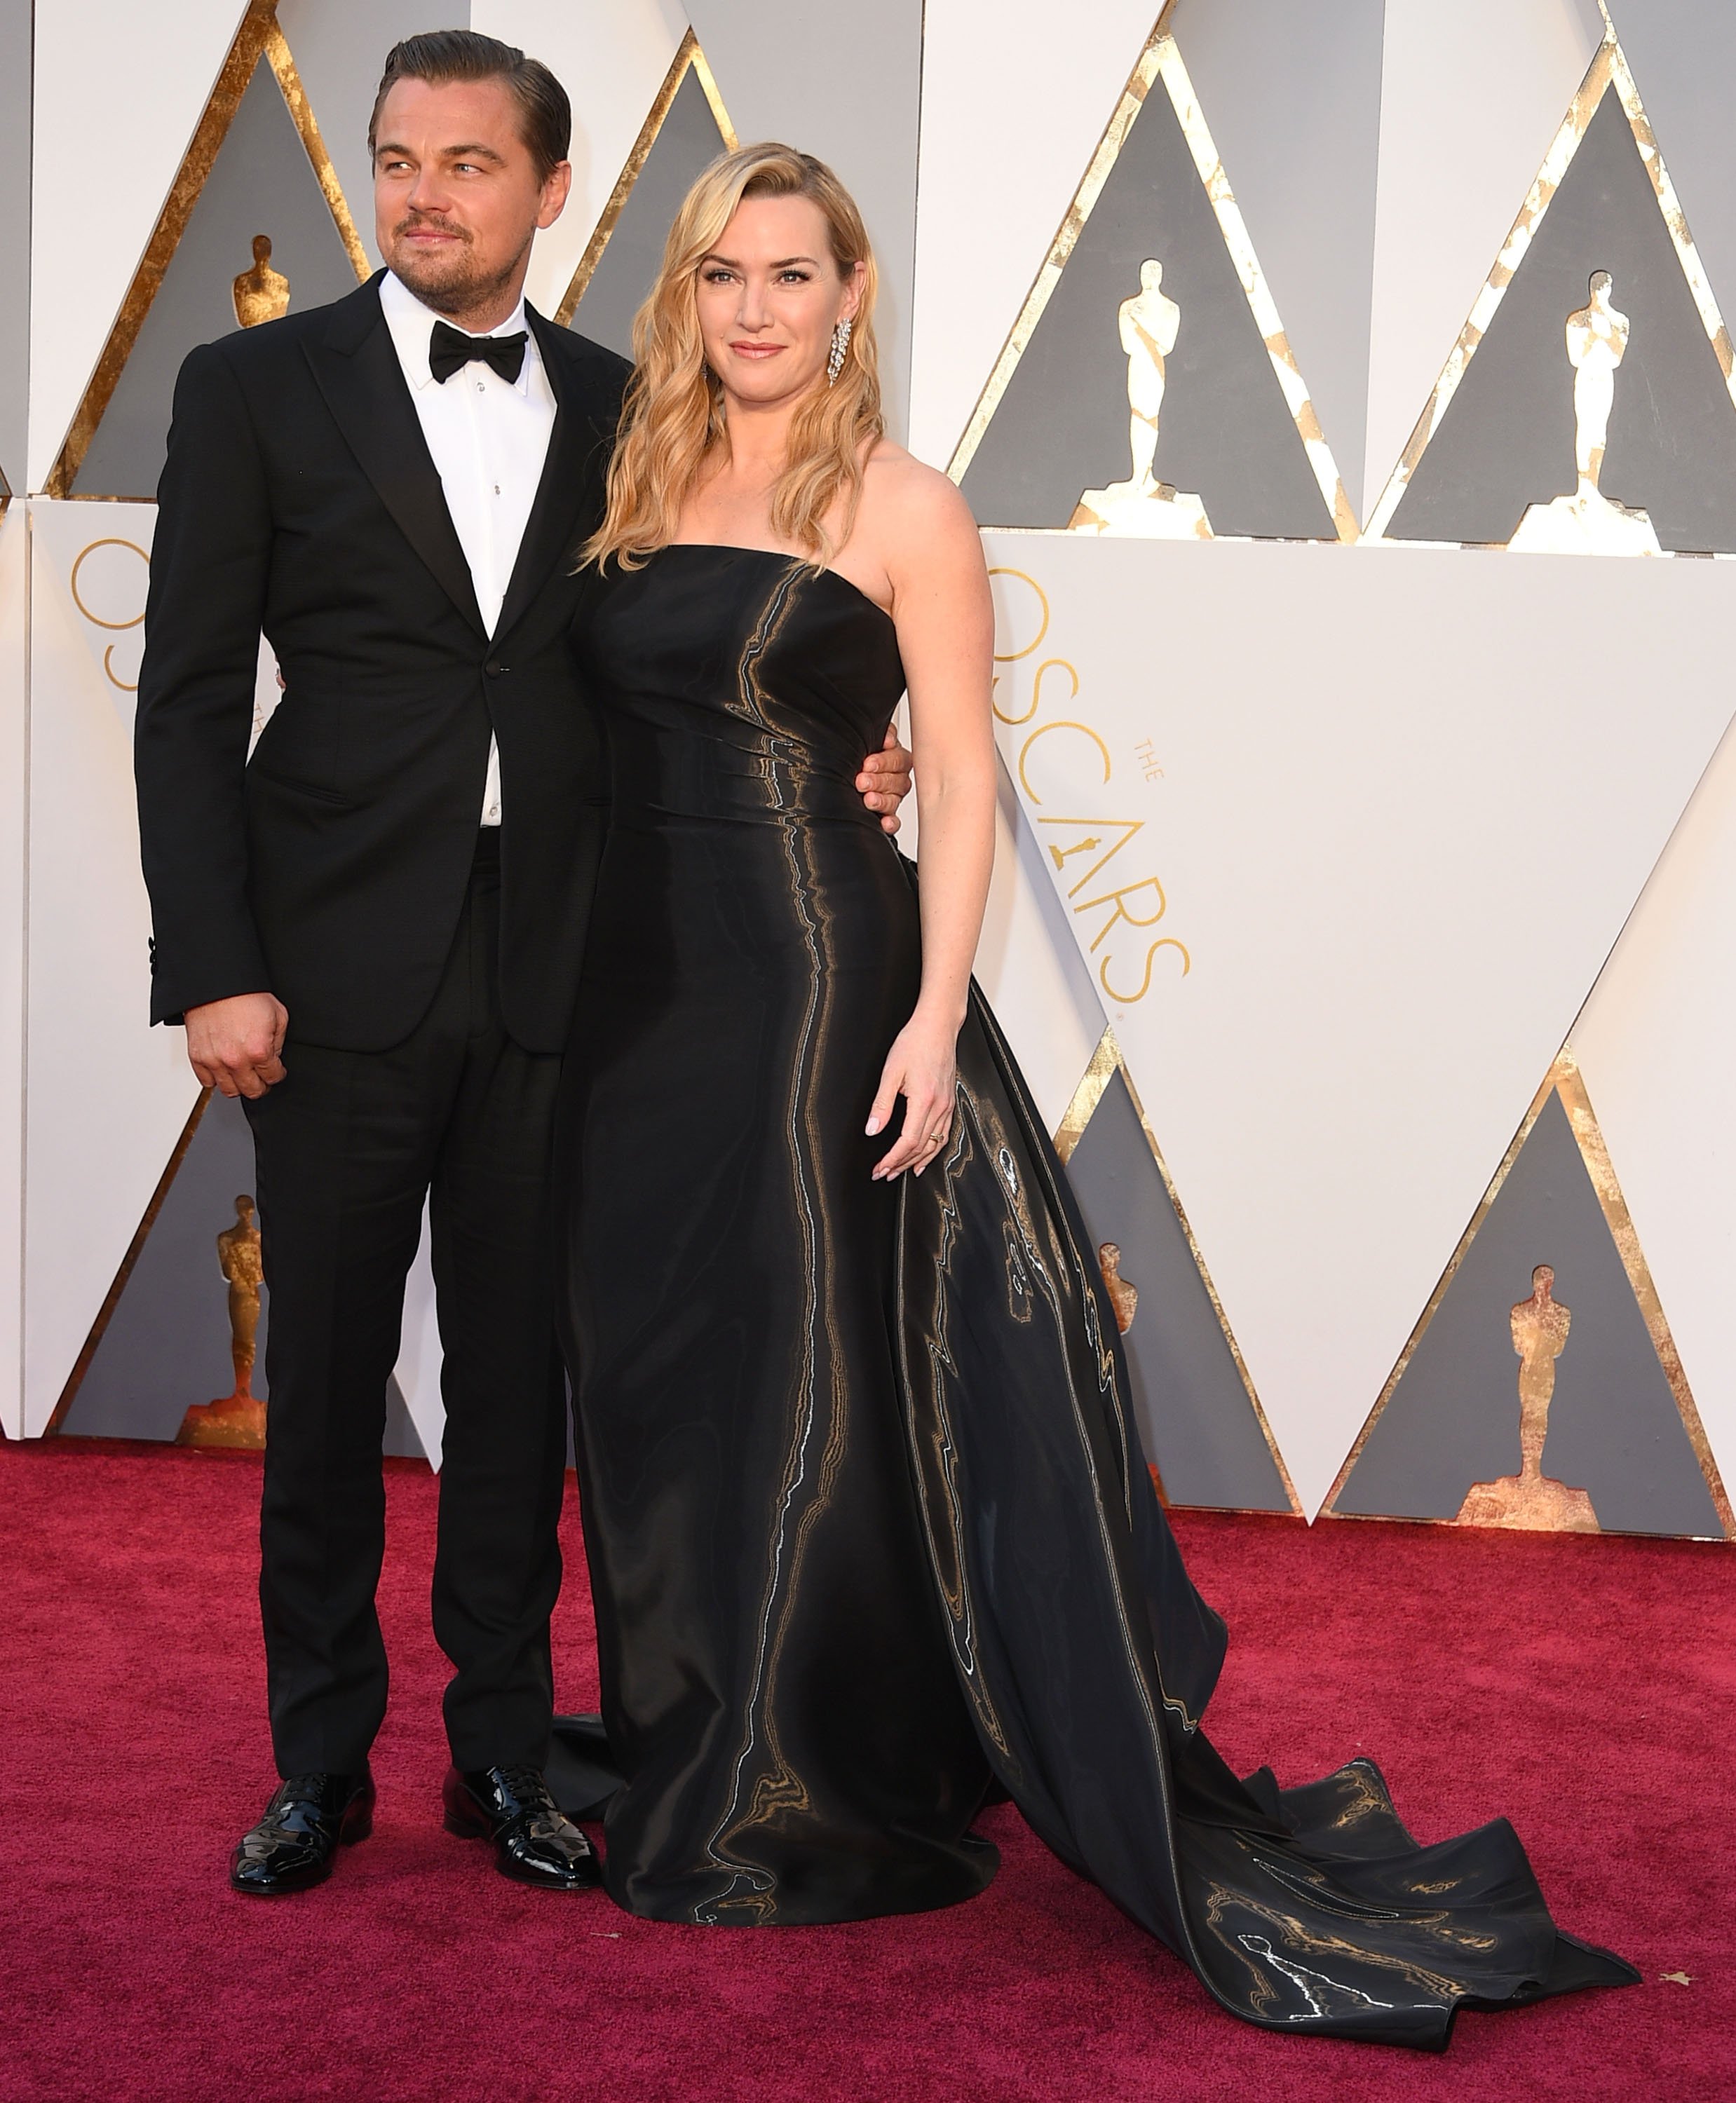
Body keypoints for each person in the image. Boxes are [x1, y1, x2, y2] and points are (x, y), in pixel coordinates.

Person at [557, 142, 1638, 2047]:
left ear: (852, 294)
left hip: (818, 979)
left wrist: (925, 1013)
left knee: (805, 1385)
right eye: (722, 272)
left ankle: (785, 1782)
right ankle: (696, 1721)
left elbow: (956, 776)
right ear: (685, 289)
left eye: (791, 275)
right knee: (669, 1382)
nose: (753, 309)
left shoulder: (899, 501)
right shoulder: (638, 475)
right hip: (641, 996)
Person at [132, 34, 911, 1900]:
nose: (424, 196)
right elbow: (182, 699)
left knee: (515, 1395)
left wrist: (857, 753)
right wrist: (213, 965)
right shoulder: (251, 387)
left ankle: (497, 1764)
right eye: (397, 161)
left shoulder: (629, 406)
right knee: (319, 1390)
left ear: (550, 191)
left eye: (469, 165)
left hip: (572, 968)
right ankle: (320, 1769)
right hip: (324, 973)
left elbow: (707, 651)